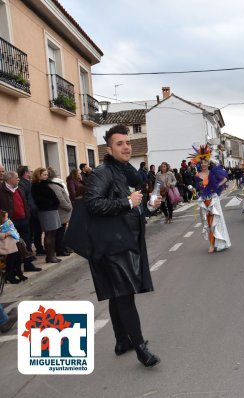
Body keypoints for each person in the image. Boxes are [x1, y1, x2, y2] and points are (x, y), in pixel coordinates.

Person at [84, 123, 160, 367]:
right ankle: (140, 348)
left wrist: (147, 207)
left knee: (118, 294)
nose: (126, 147)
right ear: (109, 148)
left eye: (127, 142)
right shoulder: (103, 172)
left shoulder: (126, 171)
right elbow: (93, 204)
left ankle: (121, 341)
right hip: (111, 246)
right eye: (120, 143)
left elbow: (132, 203)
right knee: (125, 294)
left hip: (125, 238)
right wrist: (127, 202)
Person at [191, 144, 231, 253]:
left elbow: (225, 179)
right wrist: (195, 191)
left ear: (209, 163)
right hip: (203, 201)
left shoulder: (213, 172)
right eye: (202, 162)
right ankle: (212, 244)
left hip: (213, 200)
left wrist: (217, 186)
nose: (204, 164)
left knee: (215, 222)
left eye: (206, 162)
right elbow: (197, 188)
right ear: (200, 163)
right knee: (207, 223)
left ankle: (218, 244)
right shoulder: (197, 175)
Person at [1, 170, 40, 273]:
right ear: (10, 179)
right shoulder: (1, 190)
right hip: (11, 223)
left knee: (26, 243)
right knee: (14, 247)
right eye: (16, 177)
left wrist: (27, 215)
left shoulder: (20, 188)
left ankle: (28, 265)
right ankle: (13, 270)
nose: (18, 179)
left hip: (24, 220)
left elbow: (25, 203)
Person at [31, 167, 62, 263]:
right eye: (44, 174)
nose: (46, 176)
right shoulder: (36, 186)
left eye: (47, 174)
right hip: (46, 211)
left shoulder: (45, 184)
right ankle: (50, 256)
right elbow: (39, 200)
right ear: (38, 175)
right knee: (49, 234)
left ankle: (51, 255)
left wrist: (54, 203)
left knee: (53, 233)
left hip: (52, 210)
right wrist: (51, 202)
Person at [18, 165, 43, 255]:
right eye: (31, 171)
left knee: (38, 231)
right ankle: (29, 252)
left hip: (35, 211)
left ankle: (39, 249)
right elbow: (25, 199)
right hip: (30, 212)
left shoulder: (30, 182)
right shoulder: (22, 184)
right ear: (26, 173)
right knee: (30, 234)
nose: (32, 173)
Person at [47, 167, 72, 257]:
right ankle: (60, 250)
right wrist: (69, 207)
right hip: (61, 212)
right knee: (60, 233)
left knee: (59, 233)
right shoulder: (54, 186)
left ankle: (61, 249)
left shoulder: (53, 185)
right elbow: (60, 199)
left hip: (60, 212)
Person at [0, 209, 25, 283]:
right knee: (11, 260)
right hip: (4, 245)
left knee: (18, 258)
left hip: (12, 244)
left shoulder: (7, 223)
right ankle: (9, 275)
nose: (7, 219)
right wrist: (5, 234)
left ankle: (18, 272)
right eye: (6, 217)